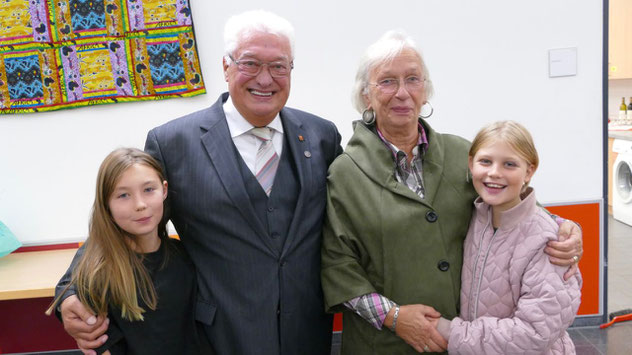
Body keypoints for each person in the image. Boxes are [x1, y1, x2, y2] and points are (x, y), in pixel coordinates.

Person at [55, 10, 342, 355]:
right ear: (226, 66)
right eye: (250, 63)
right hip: (218, 337)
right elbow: (131, 218)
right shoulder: (173, 143)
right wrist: (71, 290)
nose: (265, 79)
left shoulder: (321, 136)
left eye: (279, 66)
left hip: (308, 333)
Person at [320, 30, 584, 354]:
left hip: (464, 339)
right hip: (384, 343)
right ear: (365, 95)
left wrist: (565, 230)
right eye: (387, 81)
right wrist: (394, 317)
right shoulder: (345, 173)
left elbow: (515, 206)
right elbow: (338, 265)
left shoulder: (462, 153)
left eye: (413, 79)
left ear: (426, 91)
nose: (402, 93)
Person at [433, 121, 581, 354]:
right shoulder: (475, 219)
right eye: (485, 161)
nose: (494, 172)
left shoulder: (548, 241)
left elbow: (534, 333)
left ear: (529, 171)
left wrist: (452, 332)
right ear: (471, 164)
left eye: (509, 164)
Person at [48, 148, 202, 354]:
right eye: (123, 195)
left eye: (149, 190)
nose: (139, 205)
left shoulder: (185, 256)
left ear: (164, 190)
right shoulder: (97, 273)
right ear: (107, 206)